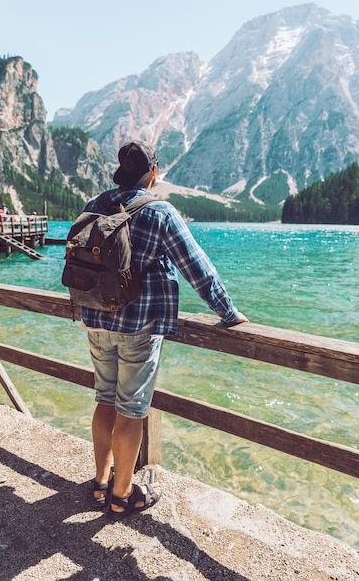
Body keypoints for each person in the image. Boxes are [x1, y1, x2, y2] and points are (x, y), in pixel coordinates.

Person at [80, 140, 248, 521]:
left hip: (95, 320)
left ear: (120, 172)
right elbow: (197, 268)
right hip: (138, 327)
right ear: (152, 173)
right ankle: (122, 496)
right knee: (132, 411)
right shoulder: (159, 211)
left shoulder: (95, 205)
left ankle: (100, 483)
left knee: (104, 400)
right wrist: (229, 312)